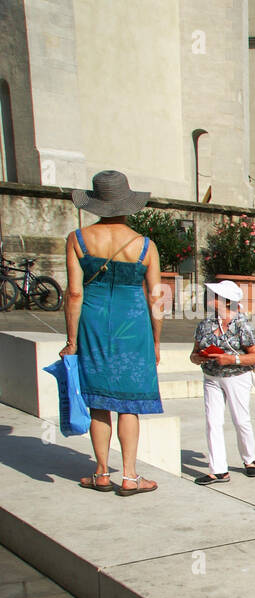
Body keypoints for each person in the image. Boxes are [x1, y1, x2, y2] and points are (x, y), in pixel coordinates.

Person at [62, 170, 165, 496]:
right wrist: (156, 340)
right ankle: (131, 476)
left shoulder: (77, 239)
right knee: (129, 404)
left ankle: (102, 472)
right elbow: (157, 298)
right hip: (132, 327)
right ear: (127, 203)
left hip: (93, 323)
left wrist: (71, 340)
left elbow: (74, 294)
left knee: (99, 402)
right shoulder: (145, 245)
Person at [191, 280, 255, 485]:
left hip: (236, 377)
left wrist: (232, 359)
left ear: (225, 301)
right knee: (212, 422)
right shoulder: (205, 325)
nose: (209, 298)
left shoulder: (242, 325)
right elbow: (193, 354)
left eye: (214, 296)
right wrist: (199, 358)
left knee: (241, 420)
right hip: (211, 377)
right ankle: (218, 470)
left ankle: (249, 460)